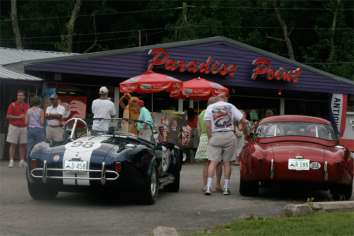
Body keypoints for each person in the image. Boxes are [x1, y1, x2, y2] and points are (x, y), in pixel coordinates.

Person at [204, 94, 246, 195]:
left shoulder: (210, 107)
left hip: (216, 135)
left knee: (213, 162)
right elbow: (242, 119)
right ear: (224, 99)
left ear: (217, 99)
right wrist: (240, 128)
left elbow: (207, 124)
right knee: (227, 163)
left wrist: (210, 137)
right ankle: (226, 188)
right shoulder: (230, 106)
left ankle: (208, 187)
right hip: (229, 135)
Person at [195, 96, 223, 192]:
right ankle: (218, 185)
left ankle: (205, 185)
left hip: (203, 138)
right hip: (213, 137)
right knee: (218, 162)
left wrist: (201, 138)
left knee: (206, 163)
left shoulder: (201, 113)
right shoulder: (214, 113)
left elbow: (198, 129)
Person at [6, 90, 29, 168]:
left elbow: (27, 116)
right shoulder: (12, 105)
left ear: (24, 97)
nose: (20, 96)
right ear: (17, 96)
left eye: (21, 95)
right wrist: (18, 117)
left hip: (24, 127)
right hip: (14, 126)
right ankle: (11, 160)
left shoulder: (27, 106)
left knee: (23, 144)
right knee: (13, 144)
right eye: (18, 95)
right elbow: (8, 116)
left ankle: (21, 161)